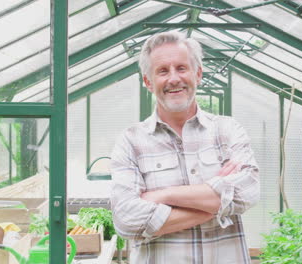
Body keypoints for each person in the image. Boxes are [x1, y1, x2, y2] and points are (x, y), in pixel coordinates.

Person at [110, 31, 260, 264]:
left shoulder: (227, 130)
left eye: (181, 68)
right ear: (148, 82)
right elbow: (126, 219)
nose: (173, 79)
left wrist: (163, 196)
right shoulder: (131, 141)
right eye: (162, 71)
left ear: (197, 74)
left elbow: (248, 191)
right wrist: (217, 204)